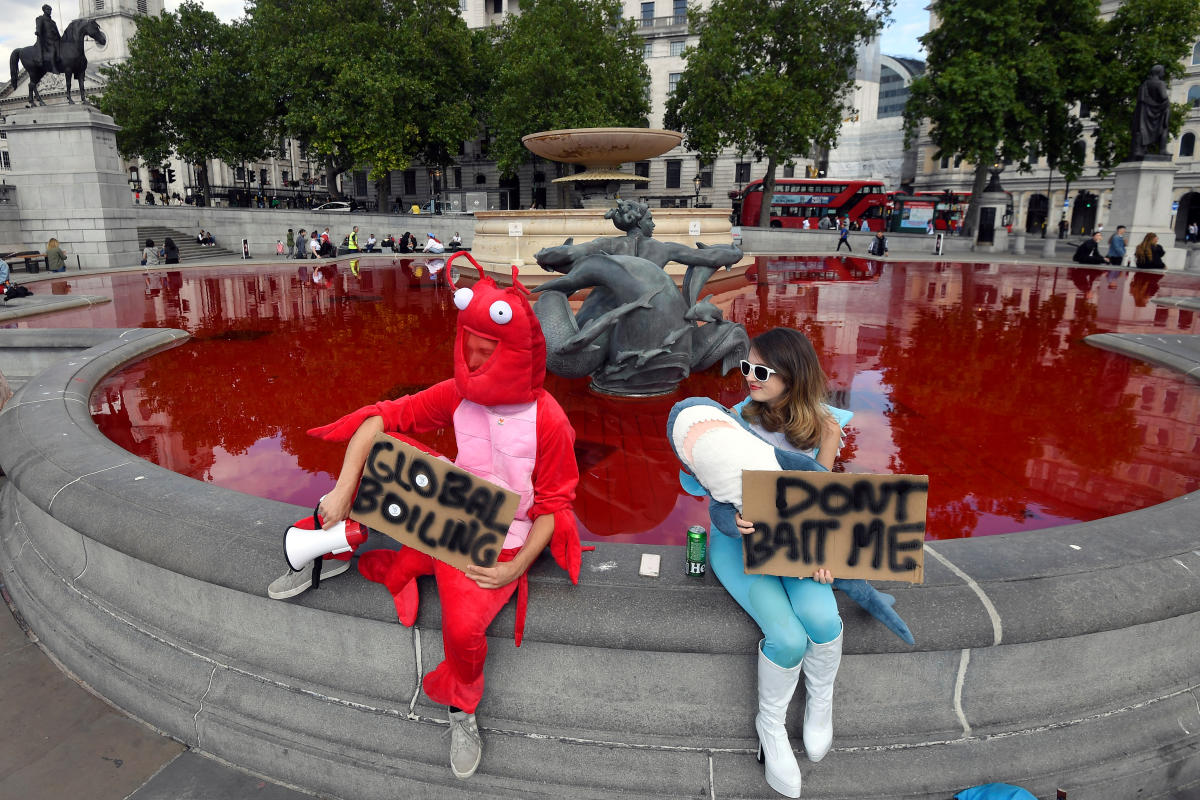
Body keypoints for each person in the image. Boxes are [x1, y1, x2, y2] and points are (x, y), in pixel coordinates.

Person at [267, 260, 583, 781]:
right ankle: (333, 545)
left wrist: (514, 568)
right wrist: (345, 488)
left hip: (498, 537)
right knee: (379, 451)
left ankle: (462, 709)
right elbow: (379, 420)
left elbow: (554, 507)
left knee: (462, 629)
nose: (476, 359)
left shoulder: (549, 418)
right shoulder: (457, 394)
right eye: (472, 347)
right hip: (451, 506)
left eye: (489, 350)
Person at [683, 328, 848, 798]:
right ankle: (771, 727)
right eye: (746, 368)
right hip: (738, 544)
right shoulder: (731, 422)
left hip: (795, 545)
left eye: (761, 371)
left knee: (823, 617)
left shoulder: (824, 426)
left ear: (792, 377)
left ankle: (821, 699)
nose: (749, 378)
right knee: (788, 636)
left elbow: (822, 501)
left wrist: (826, 552)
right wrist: (735, 520)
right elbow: (714, 503)